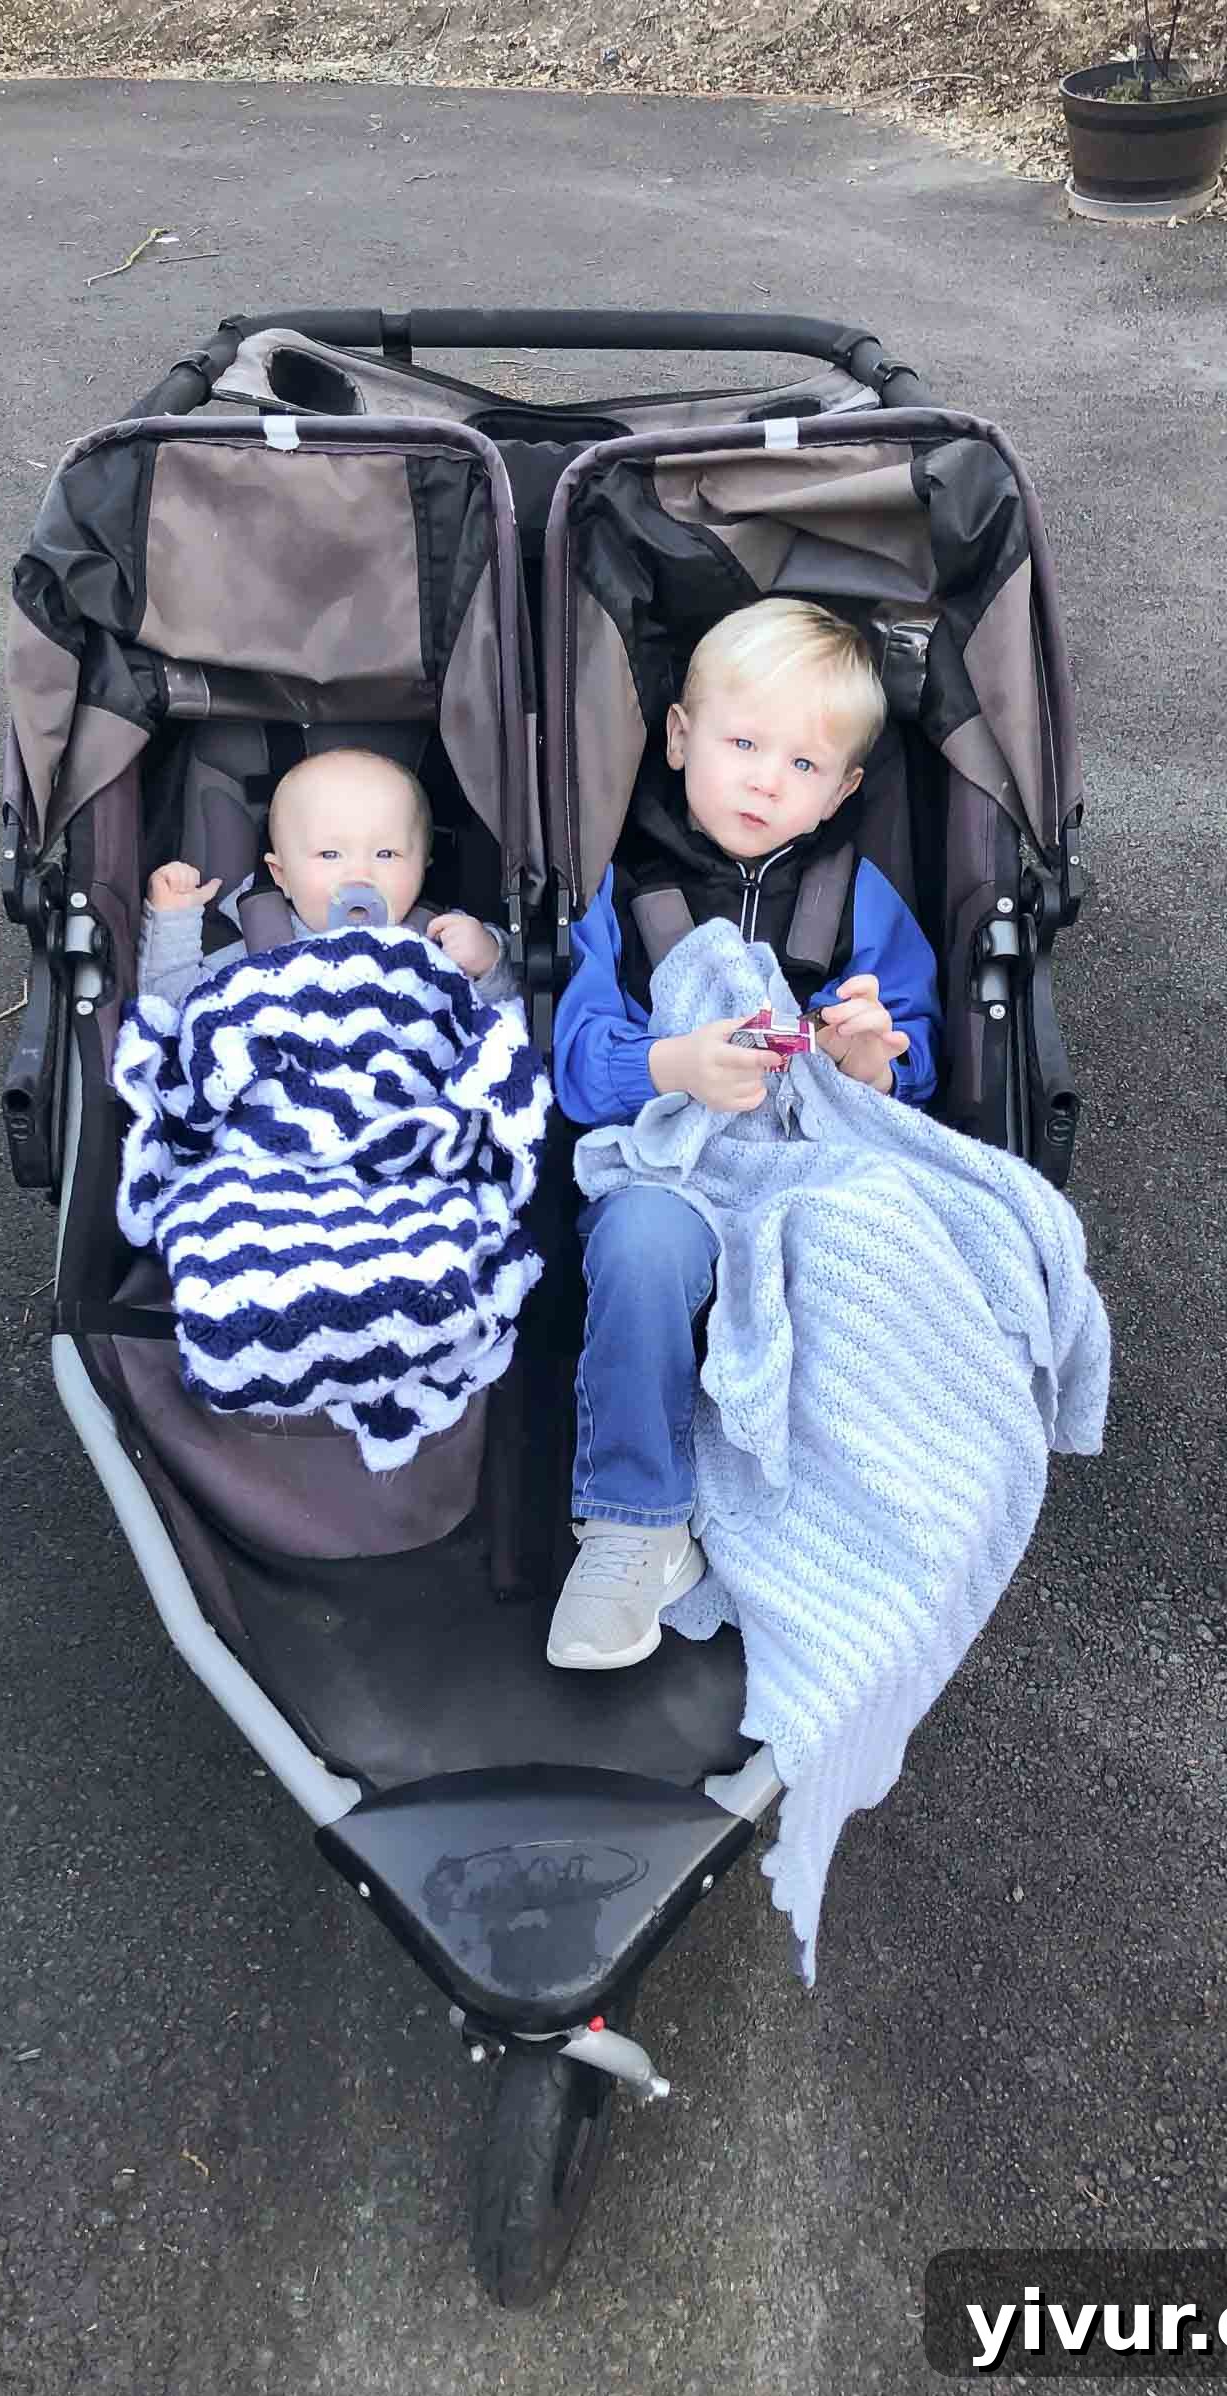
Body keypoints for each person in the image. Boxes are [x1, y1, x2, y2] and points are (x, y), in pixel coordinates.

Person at [545, 598, 944, 1671]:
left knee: (872, 1255)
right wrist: (671, 1063)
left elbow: (916, 1057)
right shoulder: (617, 890)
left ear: (844, 791)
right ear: (678, 739)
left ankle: (825, 1520)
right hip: (671, 1159)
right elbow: (577, 1067)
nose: (768, 780)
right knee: (638, 1246)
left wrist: (872, 1061)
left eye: (805, 765)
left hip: (809, 1162)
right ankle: (635, 1528)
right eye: (741, 745)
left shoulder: (859, 900)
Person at [136, 746, 515, 1010]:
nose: (360, 874)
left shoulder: (438, 945)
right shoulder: (257, 952)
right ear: (280, 875)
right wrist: (174, 921)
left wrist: (488, 963)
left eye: (387, 854)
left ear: (423, 868)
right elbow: (172, 1008)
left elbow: (503, 1018)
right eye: (329, 854)